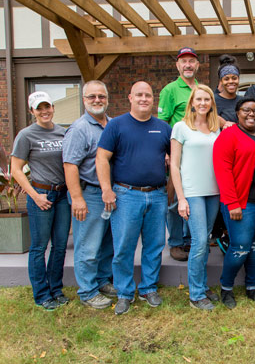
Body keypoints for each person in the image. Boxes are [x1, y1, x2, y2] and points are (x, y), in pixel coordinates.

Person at [96, 81, 171, 315]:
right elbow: (101, 158)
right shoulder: (116, 125)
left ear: (153, 99)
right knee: (124, 247)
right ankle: (125, 292)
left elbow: (174, 159)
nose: (143, 99)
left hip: (157, 195)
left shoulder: (163, 127)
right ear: (130, 97)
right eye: (139, 95)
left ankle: (148, 287)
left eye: (148, 95)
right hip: (126, 195)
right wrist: (106, 189)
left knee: (155, 244)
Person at [213, 97, 255, 309]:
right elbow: (223, 171)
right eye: (245, 110)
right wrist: (232, 203)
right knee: (240, 246)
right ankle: (226, 288)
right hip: (242, 202)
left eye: (254, 110)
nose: (251, 114)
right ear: (237, 113)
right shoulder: (229, 135)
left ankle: (252, 287)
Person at [11, 91, 71, 311]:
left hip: (63, 195)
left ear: (53, 108)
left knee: (60, 245)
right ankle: (42, 294)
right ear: (32, 112)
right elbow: (15, 169)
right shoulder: (26, 135)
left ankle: (56, 289)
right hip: (41, 195)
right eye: (39, 108)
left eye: (47, 107)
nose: (44, 111)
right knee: (39, 247)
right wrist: (34, 196)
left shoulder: (63, 133)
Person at [63, 80, 116, 309]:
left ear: (107, 98)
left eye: (101, 96)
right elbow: (70, 165)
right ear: (84, 100)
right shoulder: (79, 129)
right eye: (92, 97)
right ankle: (88, 291)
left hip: (110, 195)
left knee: (106, 244)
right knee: (88, 246)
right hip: (89, 194)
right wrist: (77, 198)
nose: (97, 100)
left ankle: (103, 280)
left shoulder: (113, 124)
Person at [170, 84, 221, 311]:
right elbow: (174, 165)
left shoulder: (216, 128)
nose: (202, 103)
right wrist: (181, 198)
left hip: (214, 192)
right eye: (198, 99)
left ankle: (201, 284)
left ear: (211, 103)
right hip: (192, 193)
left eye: (206, 100)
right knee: (199, 242)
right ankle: (196, 294)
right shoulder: (181, 128)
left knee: (204, 240)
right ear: (192, 102)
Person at [158, 46, 200, 262]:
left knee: (193, 198)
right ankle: (175, 242)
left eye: (191, 61)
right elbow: (162, 124)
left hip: (197, 158)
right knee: (174, 201)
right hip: (177, 156)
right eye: (183, 61)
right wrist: (166, 152)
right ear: (177, 65)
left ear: (197, 65)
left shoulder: (201, 90)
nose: (188, 65)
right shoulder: (170, 90)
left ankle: (191, 239)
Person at [214, 55, 241, 123]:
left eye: (234, 78)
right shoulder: (213, 101)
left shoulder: (243, 101)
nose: (231, 81)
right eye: (226, 79)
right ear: (221, 81)